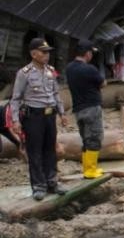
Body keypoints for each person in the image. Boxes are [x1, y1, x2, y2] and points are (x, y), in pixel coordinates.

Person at [10, 38, 68, 201]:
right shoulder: (24, 73)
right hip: (33, 116)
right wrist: (15, 120)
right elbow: (15, 98)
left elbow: (56, 93)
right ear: (33, 54)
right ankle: (38, 186)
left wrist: (62, 113)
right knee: (35, 151)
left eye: (48, 52)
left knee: (50, 149)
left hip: (50, 115)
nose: (47, 55)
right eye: (43, 52)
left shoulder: (50, 70)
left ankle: (52, 182)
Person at [65, 40, 105, 179]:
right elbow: (102, 83)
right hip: (92, 107)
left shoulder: (69, 68)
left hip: (78, 109)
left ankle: (86, 169)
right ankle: (91, 170)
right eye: (91, 53)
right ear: (88, 53)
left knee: (85, 139)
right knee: (94, 138)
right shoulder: (90, 69)